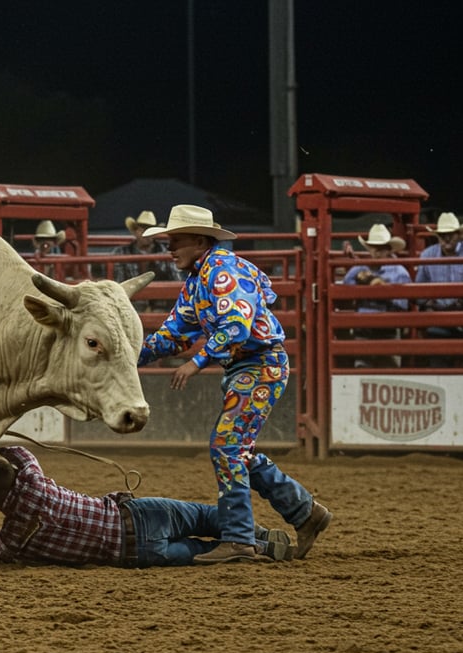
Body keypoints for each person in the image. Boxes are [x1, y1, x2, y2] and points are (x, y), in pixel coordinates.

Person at [135, 204, 331, 563]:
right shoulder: (199, 279)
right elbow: (173, 335)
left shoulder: (222, 271)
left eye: (175, 240)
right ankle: (305, 512)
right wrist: (130, 358)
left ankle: (240, 539)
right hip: (248, 369)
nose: (169, 247)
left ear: (199, 239)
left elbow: (237, 325)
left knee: (226, 447)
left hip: (260, 365)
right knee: (236, 450)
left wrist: (196, 363)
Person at [0, 445, 295, 567]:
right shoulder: (33, 481)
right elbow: (21, 452)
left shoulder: (11, 538)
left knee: (200, 552)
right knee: (207, 514)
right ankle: (253, 536)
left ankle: (255, 550)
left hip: (133, 554)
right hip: (135, 513)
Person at [414, 212, 463, 368]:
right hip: (438, 315)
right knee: (438, 356)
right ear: (437, 236)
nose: (446, 239)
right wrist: (428, 304)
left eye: (450, 235)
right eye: (442, 235)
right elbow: (418, 290)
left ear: (458, 235)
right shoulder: (427, 255)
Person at [340, 223, 411, 368]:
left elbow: (402, 306)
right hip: (363, 328)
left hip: (388, 330)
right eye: (374, 247)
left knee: (390, 371)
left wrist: (378, 286)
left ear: (389, 249)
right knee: (361, 368)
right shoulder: (359, 268)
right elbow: (344, 290)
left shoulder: (399, 272)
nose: (377, 252)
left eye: (381, 248)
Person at [112, 210, 182, 310]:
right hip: (131, 304)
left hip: (160, 304)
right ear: (135, 232)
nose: (146, 233)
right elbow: (117, 283)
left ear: (155, 233)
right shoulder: (121, 252)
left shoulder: (167, 252)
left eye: (150, 230)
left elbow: (176, 281)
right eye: (142, 229)